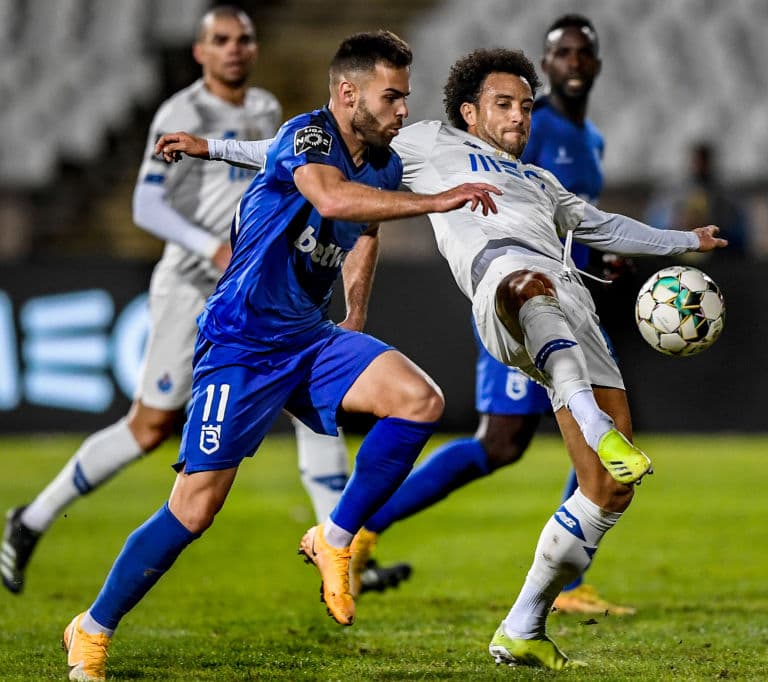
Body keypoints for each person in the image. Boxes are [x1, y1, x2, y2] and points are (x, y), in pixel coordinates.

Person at [175, 46, 726, 670]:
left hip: (573, 309)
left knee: (605, 491)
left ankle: (524, 626)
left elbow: (602, 226)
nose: (519, 118)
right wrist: (214, 149)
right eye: (504, 105)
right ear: (470, 111)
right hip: (504, 292)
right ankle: (596, 429)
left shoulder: (540, 182)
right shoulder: (428, 144)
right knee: (526, 288)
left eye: (525, 107)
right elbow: (304, 153)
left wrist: (685, 241)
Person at [60, 30, 499, 682]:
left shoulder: (380, 163)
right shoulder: (310, 136)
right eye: (392, 96)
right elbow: (330, 199)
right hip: (239, 345)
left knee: (418, 402)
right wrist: (436, 201)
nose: (404, 109)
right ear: (348, 94)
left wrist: (355, 312)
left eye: (406, 97)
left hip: (309, 336)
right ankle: (91, 629)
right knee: (195, 508)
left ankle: (336, 537)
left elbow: (364, 231)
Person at [0, 5, 409, 600]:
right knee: (150, 427)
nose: (235, 49)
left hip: (260, 279)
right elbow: (145, 207)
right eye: (221, 40)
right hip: (194, 281)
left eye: (244, 38)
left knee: (317, 412)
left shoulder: (271, 108)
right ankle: (33, 518)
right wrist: (208, 243)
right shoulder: (177, 111)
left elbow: (274, 154)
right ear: (199, 51)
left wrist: (217, 150)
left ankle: (342, 547)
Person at [335, 13, 634, 616]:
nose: (574, 63)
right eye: (561, 54)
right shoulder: (530, 126)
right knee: (500, 442)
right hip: (517, 295)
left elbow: (558, 211)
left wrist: (598, 251)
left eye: (584, 54)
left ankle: (568, 581)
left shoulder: (592, 140)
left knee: (525, 438)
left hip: (564, 290)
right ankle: (364, 530)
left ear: (596, 65)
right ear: (545, 69)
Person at [645, 141, 749, 257]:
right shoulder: (673, 191)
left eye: (704, 160)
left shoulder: (725, 193)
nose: (701, 165)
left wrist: (717, 225)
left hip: (716, 254)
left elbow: (738, 231)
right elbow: (656, 226)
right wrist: (678, 222)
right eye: (698, 160)